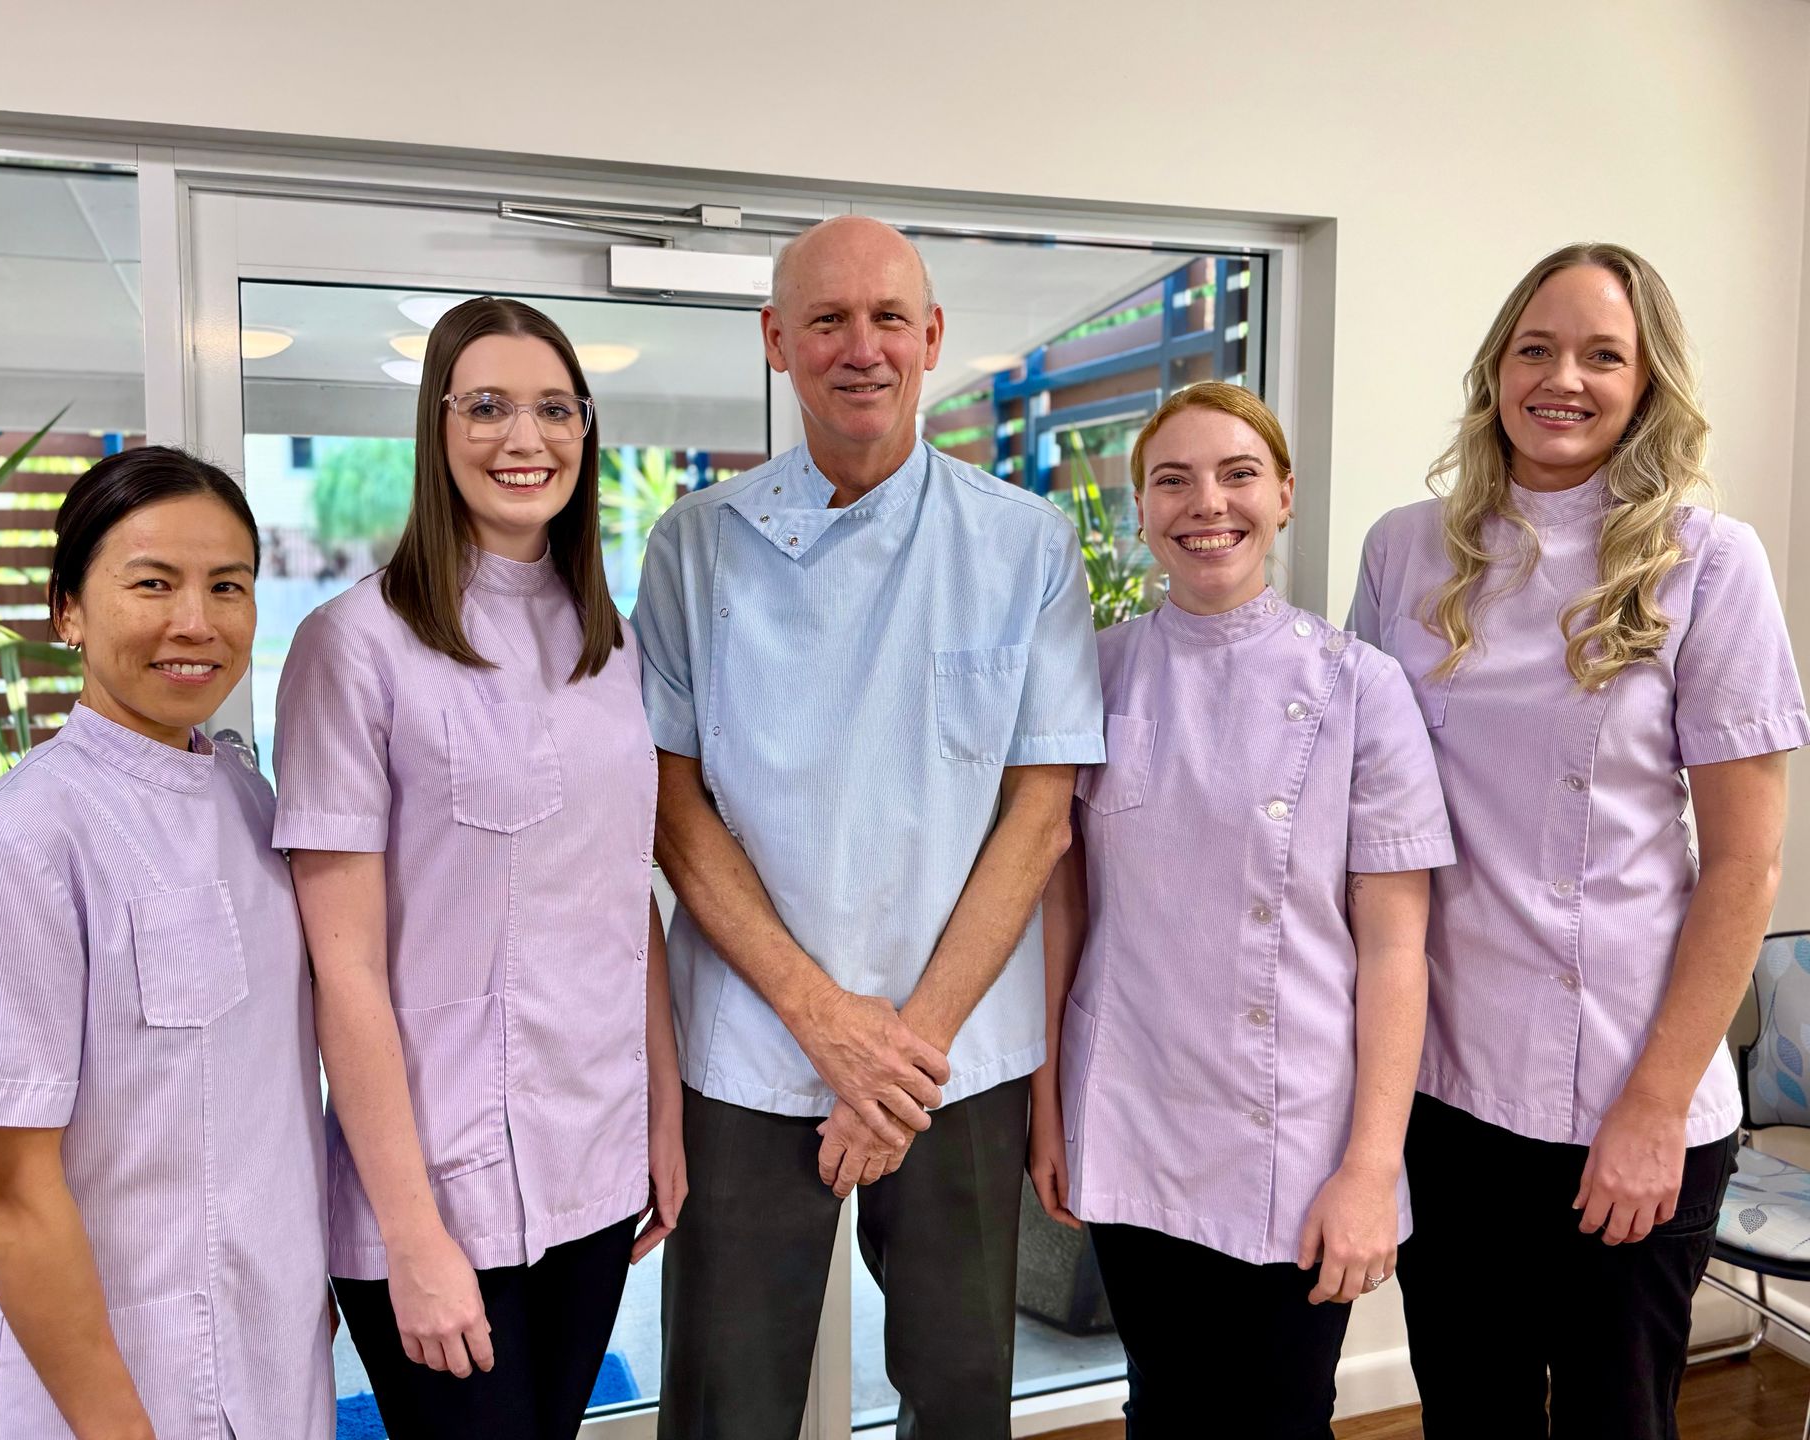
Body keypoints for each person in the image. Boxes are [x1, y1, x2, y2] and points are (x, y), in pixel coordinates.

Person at [635, 214, 1105, 1439]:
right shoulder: (696, 545)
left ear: (933, 336)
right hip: (750, 1042)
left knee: (958, 1397)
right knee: (724, 1405)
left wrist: (899, 1054)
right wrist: (827, 1024)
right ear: (775, 341)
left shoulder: (1025, 545)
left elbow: (1038, 818)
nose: (862, 347)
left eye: (890, 317)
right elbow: (672, 810)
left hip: (957, 1054)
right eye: (827, 320)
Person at [1351, 242, 1809, 1436]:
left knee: (1617, 1422)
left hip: (1625, 1088)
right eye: (1536, 348)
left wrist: (1654, 1112)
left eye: (1605, 354)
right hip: (1445, 1094)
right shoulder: (1405, 548)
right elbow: (1365, 808)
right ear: (1495, 369)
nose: (1565, 378)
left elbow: (1748, 866)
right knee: (1470, 1415)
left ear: (1648, 382)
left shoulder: (1710, 563)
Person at [272, 296, 684, 1439]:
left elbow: (622, 900)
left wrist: (661, 1118)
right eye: (488, 406)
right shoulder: (351, 648)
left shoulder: (612, 646)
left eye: (556, 409)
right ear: (436, 426)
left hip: (594, 1169)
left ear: (587, 433)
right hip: (437, 1190)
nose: (525, 438)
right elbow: (341, 971)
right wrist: (410, 1239)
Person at [1026, 383, 1451, 1438]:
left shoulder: (1362, 687)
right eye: (1172, 480)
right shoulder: (1100, 670)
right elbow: (1062, 913)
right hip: (1130, 1111)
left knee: (1281, 1413)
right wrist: (1048, 1104)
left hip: (1297, 1134)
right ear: (1140, 510)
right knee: (1161, 1405)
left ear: (1285, 497)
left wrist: (1369, 1166)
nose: (1205, 503)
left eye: (1237, 474)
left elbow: (1397, 948)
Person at [0, 447, 331, 1439]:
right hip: (105, 1399)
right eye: (153, 584)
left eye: (227, 586)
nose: (197, 622)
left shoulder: (251, 805)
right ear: (69, 612)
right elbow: (8, 1196)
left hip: (271, 1370)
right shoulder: (22, 841)